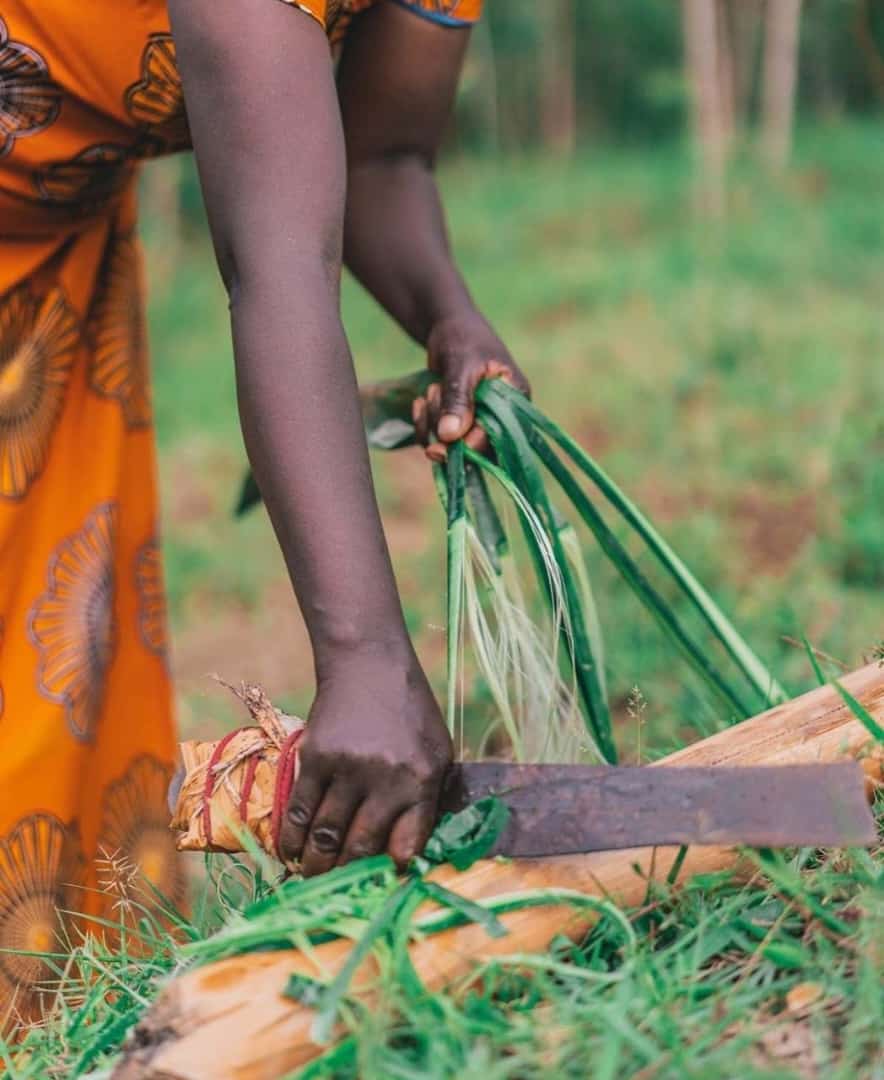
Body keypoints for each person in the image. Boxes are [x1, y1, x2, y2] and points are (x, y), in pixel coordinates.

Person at [0, 0, 529, 1020]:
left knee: (48, 691)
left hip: (50, 248)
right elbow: (277, 264)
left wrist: (449, 315)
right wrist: (367, 660)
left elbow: (383, 163)